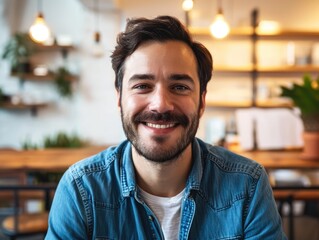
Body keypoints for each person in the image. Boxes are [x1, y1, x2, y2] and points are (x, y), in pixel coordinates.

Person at [46, 15, 286, 239]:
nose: (160, 105)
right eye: (142, 85)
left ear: (201, 101)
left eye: (179, 87)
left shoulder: (247, 186)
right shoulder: (81, 190)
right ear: (119, 99)